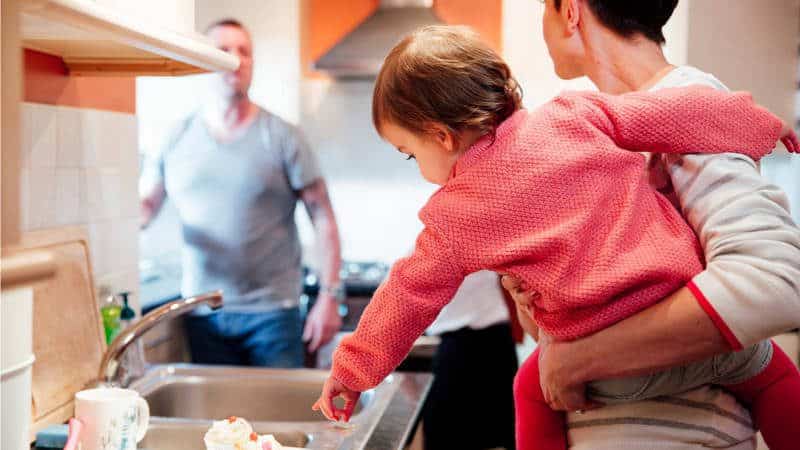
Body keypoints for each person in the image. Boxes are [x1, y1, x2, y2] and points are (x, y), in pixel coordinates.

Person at [311, 23, 796, 438]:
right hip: (689, 320)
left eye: (410, 153)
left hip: (606, 369)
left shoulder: (454, 214)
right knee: (773, 375)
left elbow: (406, 295)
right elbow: (680, 115)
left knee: (530, 389)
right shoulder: (573, 114)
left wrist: (352, 372)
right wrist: (761, 125)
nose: (417, 167)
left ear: (442, 135)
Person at [503, 1, 800, 449]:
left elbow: (774, 281)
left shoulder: (687, 103)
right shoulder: (598, 124)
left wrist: (578, 359)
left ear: (570, 11)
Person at [139, 18, 343, 368]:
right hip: (202, 313)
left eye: (244, 51)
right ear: (204, 62)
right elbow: (144, 208)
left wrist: (330, 295)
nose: (236, 59)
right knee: (216, 424)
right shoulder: (175, 137)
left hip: (273, 316)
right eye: (224, 51)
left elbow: (323, 217)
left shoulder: (282, 136)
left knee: (277, 422)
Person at [422, 270, 519, 450]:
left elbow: (392, 296)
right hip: (498, 342)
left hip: (463, 347)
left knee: (445, 432)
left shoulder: (430, 248)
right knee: (503, 426)